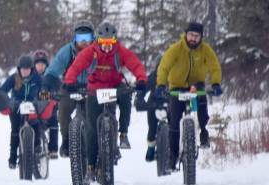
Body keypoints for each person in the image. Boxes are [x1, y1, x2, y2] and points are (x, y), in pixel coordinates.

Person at [62, 22, 147, 172]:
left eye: (110, 43)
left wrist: (141, 79)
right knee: (91, 129)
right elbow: (76, 66)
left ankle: (123, 133)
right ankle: (90, 165)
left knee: (126, 94)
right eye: (103, 43)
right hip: (94, 90)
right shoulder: (90, 51)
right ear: (98, 41)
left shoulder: (120, 51)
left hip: (114, 87)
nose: (107, 46)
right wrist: (69, 81)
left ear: (115, 41)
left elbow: (135, 64)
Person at [155, 21, 222, 166]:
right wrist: (161, 84)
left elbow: (214, 66)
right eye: (191, 35)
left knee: (202, 102)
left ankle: (203, 132)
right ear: (186, 34)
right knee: (174, 121)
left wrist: (216, 83)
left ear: (201, 37)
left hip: (196, 86)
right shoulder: (176, 49)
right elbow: (164, 67)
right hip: (177, 87)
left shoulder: (205, 50)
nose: (193, 38)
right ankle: (172, 156)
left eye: (197, 36)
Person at [43, 21, 96, 157]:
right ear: (75, 38)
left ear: (93, 37)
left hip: (93, 88)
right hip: (70, 87)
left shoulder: (98, 51)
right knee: (63, 110)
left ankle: (107, 143)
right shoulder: (67, 51)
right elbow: (52, 71)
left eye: (87, 38)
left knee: (99, 113)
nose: (84, 42)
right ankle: (66, 140)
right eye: (80, 38)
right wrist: (45, 87)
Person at [1, 55, 43, 169]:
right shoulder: (14, 78)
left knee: (37, 123)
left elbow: (44, 90)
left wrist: (46, 97)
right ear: (19, 69)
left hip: (32, 106)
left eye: (28, 69)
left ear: (32, 69)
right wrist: (8, 101)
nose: (25, 71)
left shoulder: (37, 78)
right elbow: (2, 91)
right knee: (15, 130)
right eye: (23, 69)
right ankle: (13, 158)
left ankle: (38, 147)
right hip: (17, 107)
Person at [32, 49, 60, 158]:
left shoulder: (52, 76)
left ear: (46, 65)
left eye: (42, 64)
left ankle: (53, 149)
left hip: (49, 107)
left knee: (54, 121)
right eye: (38, 64)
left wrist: (54, 95)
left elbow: (59, 88)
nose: (40, 67)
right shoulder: (31, 76)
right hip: (34, 107)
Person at [140, 56, 163, 162]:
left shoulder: (176, 75)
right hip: (154, 104)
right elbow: (144, 88)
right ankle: (151, 147)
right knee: (152, 127)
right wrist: (139, 98)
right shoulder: (154, 76)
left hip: (171, 103)